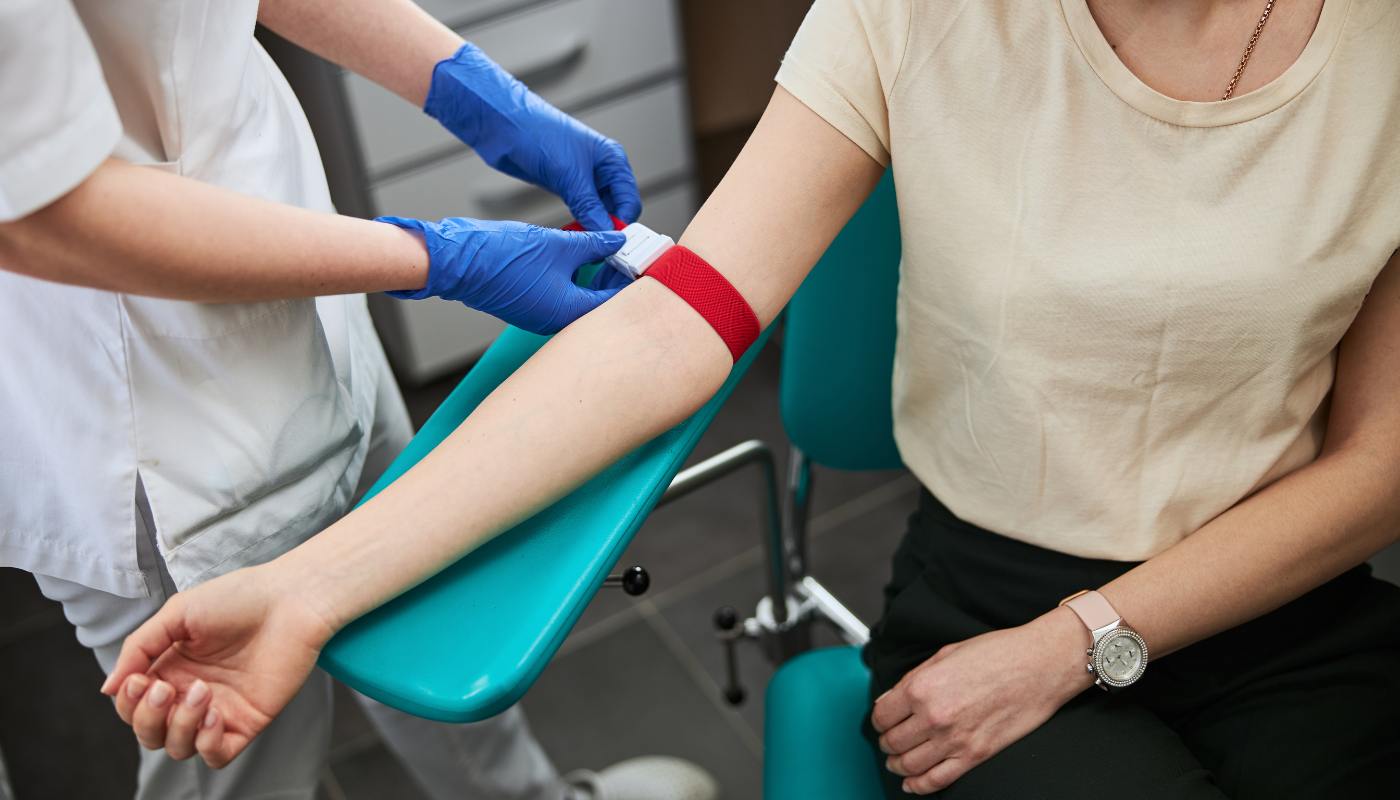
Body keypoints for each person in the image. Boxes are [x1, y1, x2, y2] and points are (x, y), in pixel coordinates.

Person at [85, 0, 1400, 796]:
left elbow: (1377, 465)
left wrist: (1086, 637)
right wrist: (308, 584)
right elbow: (679, 325)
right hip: (994, 593)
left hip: (1281, 592)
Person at [0, 0, 718, 798]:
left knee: (424, 603)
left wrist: (478, 92)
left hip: (303, 283)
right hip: (154, 416)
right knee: (244, 760)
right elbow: (39, 214)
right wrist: (439, 259)